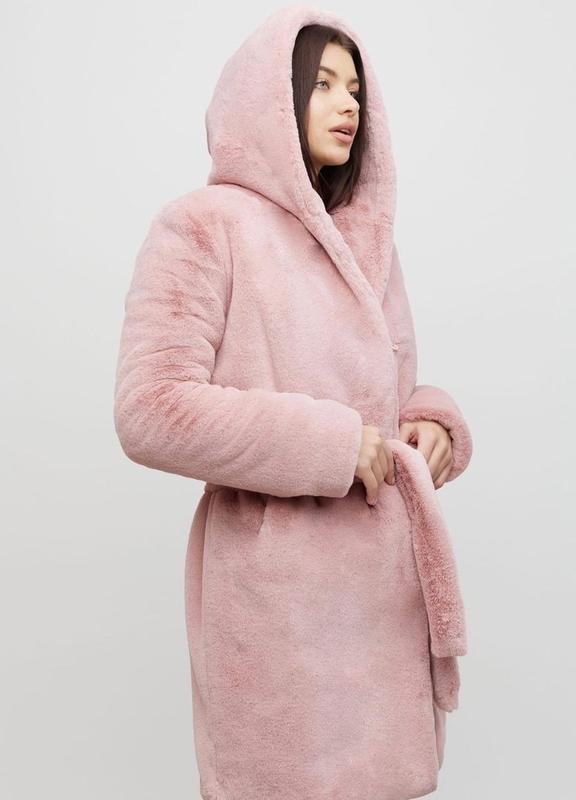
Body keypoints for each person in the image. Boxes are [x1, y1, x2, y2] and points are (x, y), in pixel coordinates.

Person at [113, 6, 473, 800]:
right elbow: (151, 407)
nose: (349, 105)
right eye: (323, 84)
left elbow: (387, 394)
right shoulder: (204, 227)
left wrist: (429, 420)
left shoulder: (365, 243)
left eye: (357, 90)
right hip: (280, 603)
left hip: (381, 602)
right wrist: (330, 446)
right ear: (269, 97)